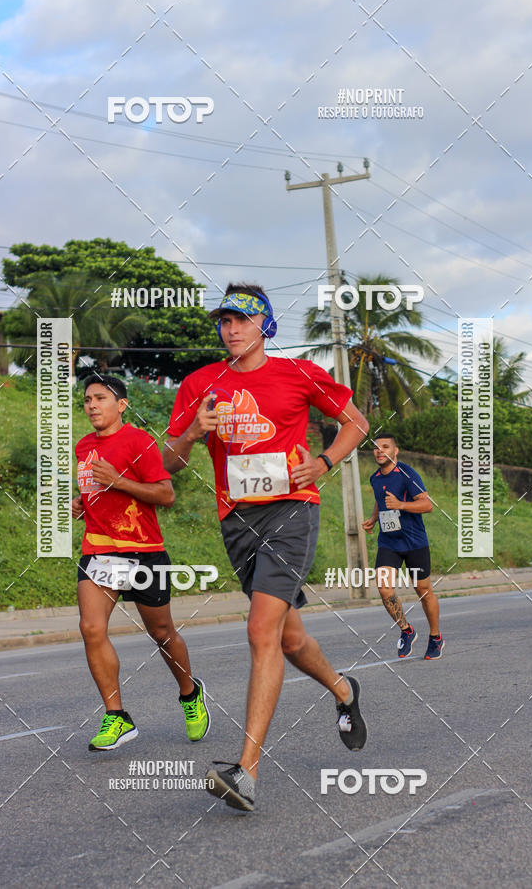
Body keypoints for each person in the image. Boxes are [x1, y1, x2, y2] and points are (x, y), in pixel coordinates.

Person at [163, 284, 369, 812]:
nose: (231, 329)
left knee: (260, 632)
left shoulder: (298, 374)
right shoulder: (200, 384)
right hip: (237, 522)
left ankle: (246, 772)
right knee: (289, 639)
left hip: (292, 512)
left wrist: (323, 463)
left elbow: (356, 423)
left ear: (265, 326)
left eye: (243, 319)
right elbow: (168, 465)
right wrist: (192, 433)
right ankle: (344, 690)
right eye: (225, 320)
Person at [72, 375, 209, 751]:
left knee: (162, 632)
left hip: (143, 550)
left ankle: (190, 693)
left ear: (122, 405)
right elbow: (96, 491)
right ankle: (117, 715)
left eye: (101, 398)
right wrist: (82, 503)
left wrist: (118, 481)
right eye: (87, 399)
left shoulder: (139, 441)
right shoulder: (84, 446)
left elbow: (165, 494)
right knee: (91, 628)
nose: (92, 405)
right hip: (100, 550)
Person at [362, 433, 443, 660]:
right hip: (389, 542)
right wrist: (373, 519)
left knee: (423, 592)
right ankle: (407, 630)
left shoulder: (407, 474)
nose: (379, 451)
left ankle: (435, 637)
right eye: (376, 447)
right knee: (384, 588)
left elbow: (427, 505)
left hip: (414, 541)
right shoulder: (375, 478)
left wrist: (401, 505)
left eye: (385, 446)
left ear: (395, 451)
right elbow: (381, 500)